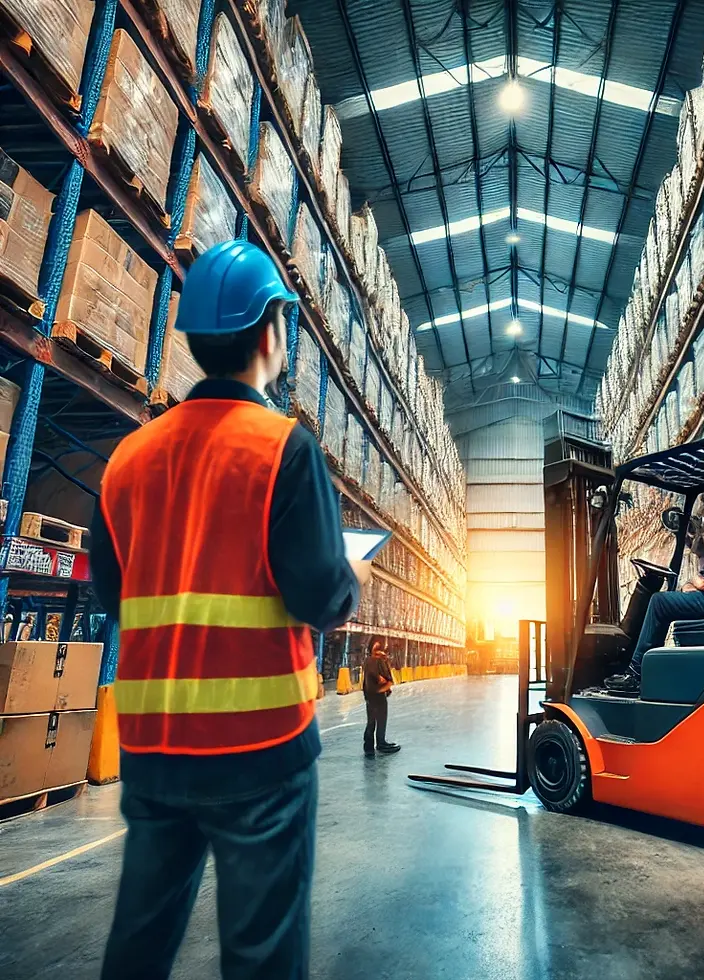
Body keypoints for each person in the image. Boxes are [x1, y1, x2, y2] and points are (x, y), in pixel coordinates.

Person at [92, 241, 371, 980]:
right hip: (260, 754)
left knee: (140, 943)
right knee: (261, 954)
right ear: (271, 334)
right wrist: (352, 582)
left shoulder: (129, 458)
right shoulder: (283, 449)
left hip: (152, 750)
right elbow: (318, 592)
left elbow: (110, 593)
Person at [605, 514, 704, 695]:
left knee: (659, 602)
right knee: (665, 600)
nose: (688, 542)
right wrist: (691, 583)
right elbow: (695, 583)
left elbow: (703, 584)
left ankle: (635, 673)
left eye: (688, 537)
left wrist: (693, 581)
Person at [363, 637, 400, 756]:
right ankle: (380, 744)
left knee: (373, 721)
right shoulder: (376, 661)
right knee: (379, 720)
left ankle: (370, 745)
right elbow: (383, 679)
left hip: (371, 695)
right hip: (377, 694)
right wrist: (385, 684)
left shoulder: (369, 661)